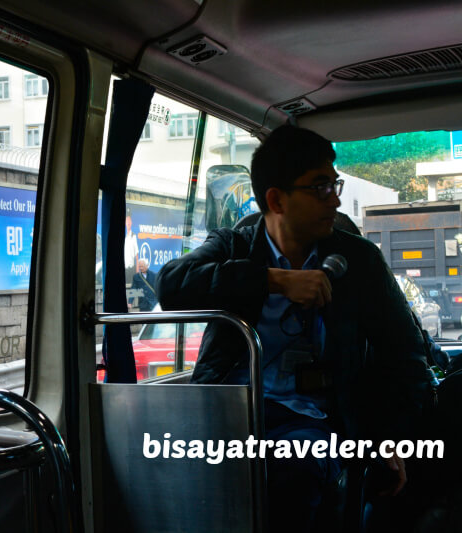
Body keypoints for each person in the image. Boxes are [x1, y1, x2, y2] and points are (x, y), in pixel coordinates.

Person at [156, 125, 431, 532]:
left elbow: (406, 353)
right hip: (232, 414)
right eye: (320, 187)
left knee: (296, 472)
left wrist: (391, 438)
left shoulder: (359, 261)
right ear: (276, 199)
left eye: (333, 184)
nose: (335, 199)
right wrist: (273, 280)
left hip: (313, 417)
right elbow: (171, 284)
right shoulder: (234, 247)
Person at [124, 210, 139, 285]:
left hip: (131, 270)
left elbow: (136, 256)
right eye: (127, 220)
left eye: (129, 220)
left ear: (131, 222)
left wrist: (137, 271)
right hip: (123, 270)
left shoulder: (134, 236)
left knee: (131, 290)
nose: (128, 222)